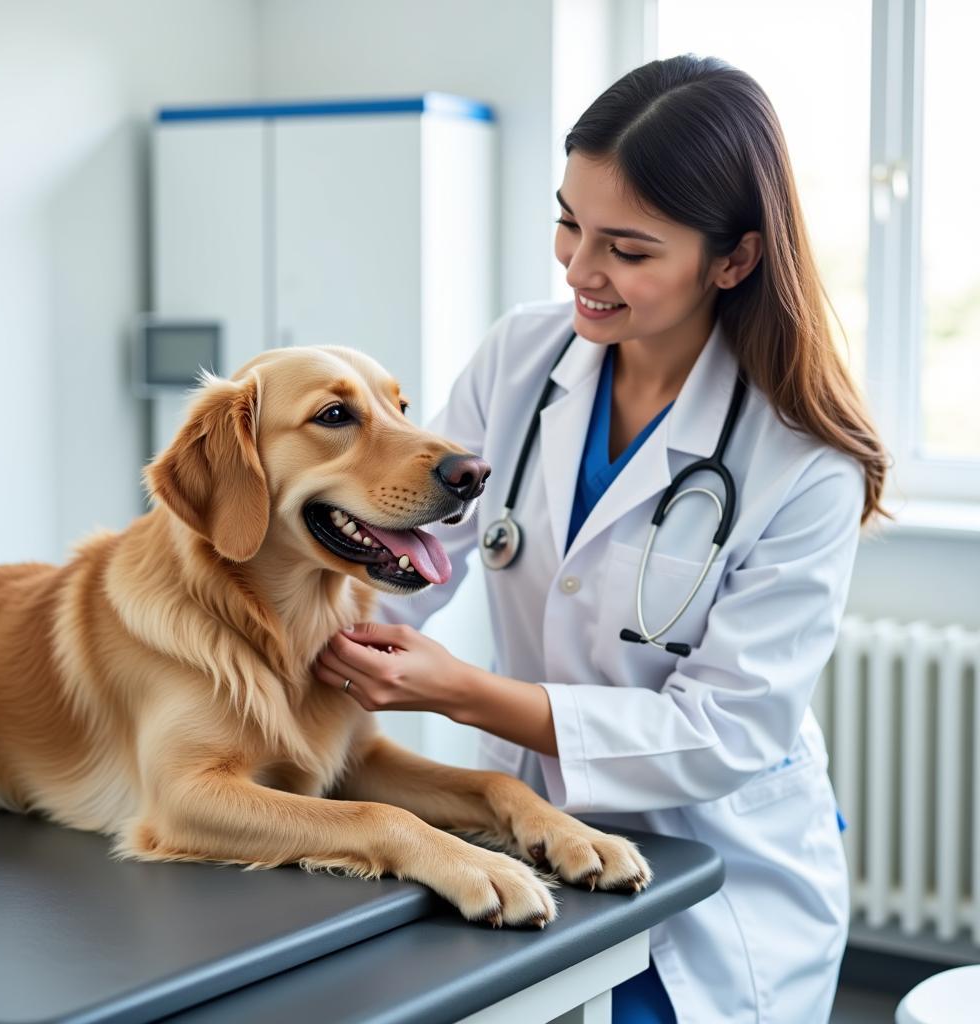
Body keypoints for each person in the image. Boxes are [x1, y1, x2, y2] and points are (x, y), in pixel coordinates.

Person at [313, 54, 889, 1023]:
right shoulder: (520, 360)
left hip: (711, 876)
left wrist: (463, 694)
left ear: (733, 259)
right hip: (534, 835)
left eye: (626, 248)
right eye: (568, 222)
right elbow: (415, 558)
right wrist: (292, 606)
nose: (580, 269)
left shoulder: (804, 461)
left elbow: (722, 732)